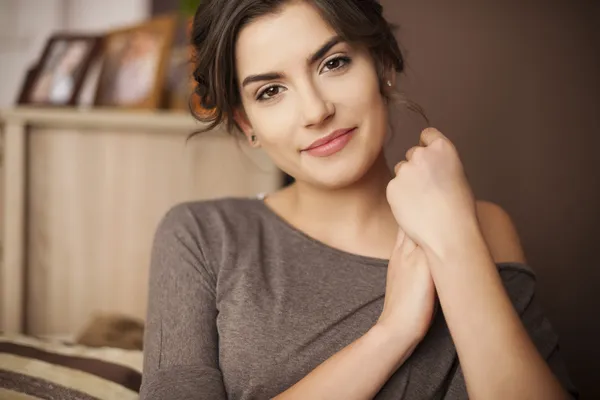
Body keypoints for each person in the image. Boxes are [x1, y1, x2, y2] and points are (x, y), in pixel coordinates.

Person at [140, 1, 579, 399]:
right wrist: (391, 333)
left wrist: (454, 240)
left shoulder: (479, 226)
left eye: (333, 63)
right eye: (270, 91)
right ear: (246, 122)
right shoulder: (202, 235)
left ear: (382, 64)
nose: (315, 112)